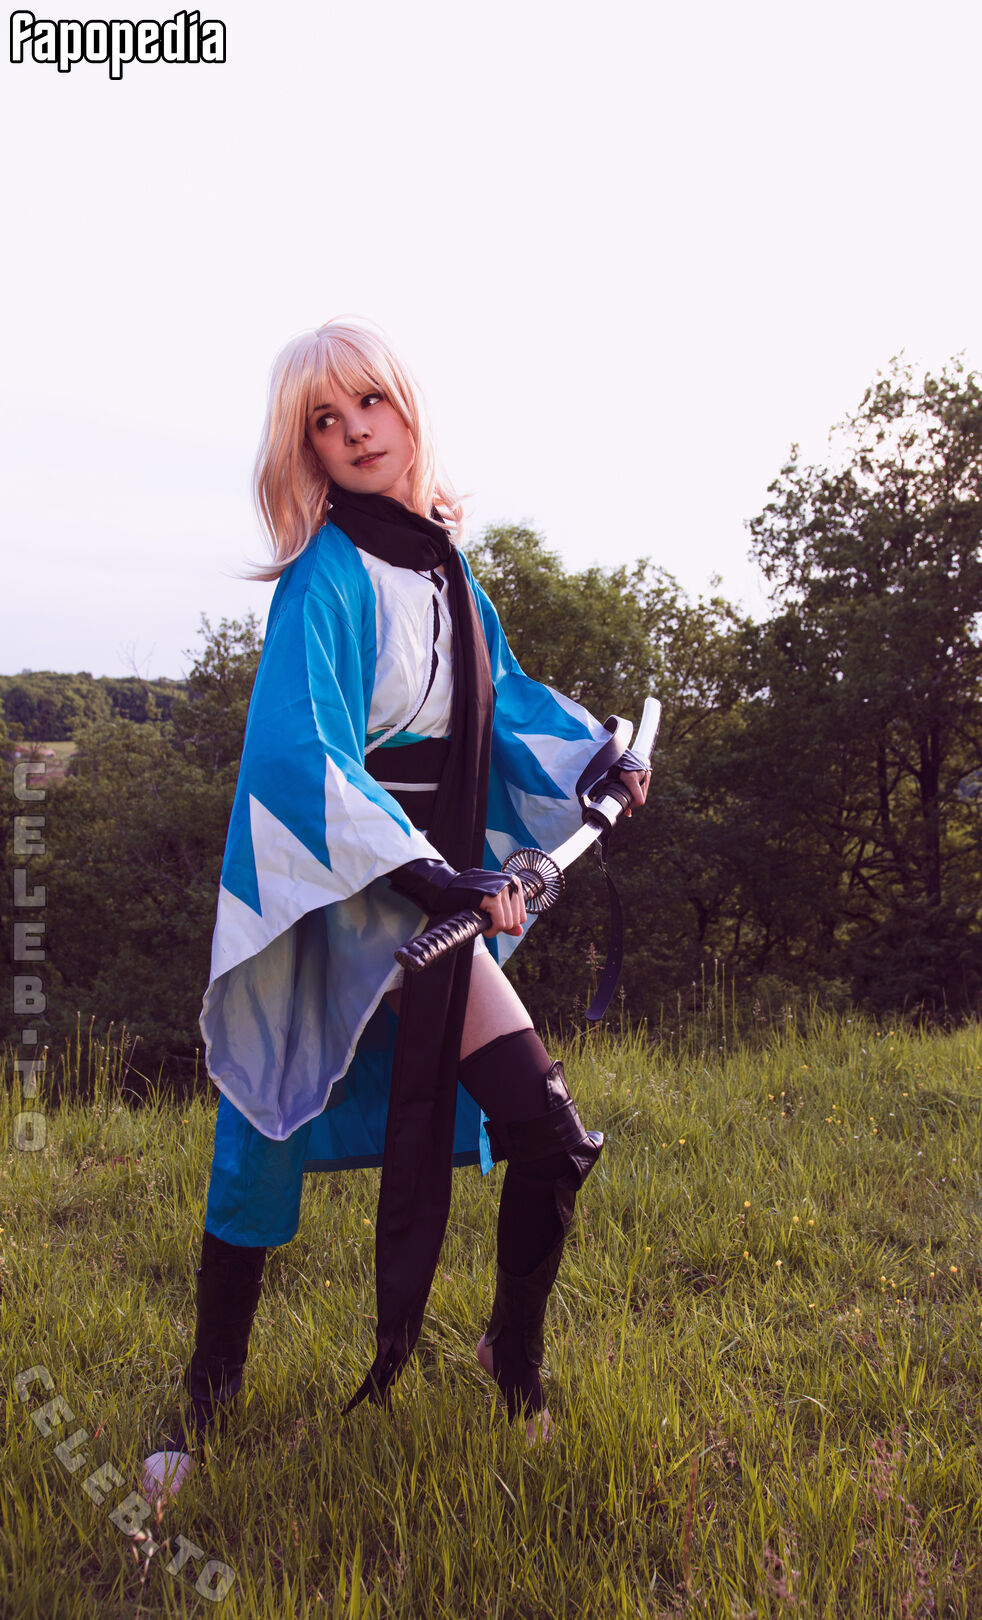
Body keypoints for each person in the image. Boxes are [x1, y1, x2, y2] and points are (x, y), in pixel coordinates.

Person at [143, 317, 650, 1500]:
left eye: (368, 401)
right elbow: (301, 757)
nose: (355, 431)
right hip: (333, 903)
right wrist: (431, 874)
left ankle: (511, 1361)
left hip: (434, 900)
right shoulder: (321, 581)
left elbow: (506, 703)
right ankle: (205, 1398)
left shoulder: (448, 571)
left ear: (406, 405)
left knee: (551, 1136)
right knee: (258, 1147)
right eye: (324, 420)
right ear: (306, 449)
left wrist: (600, 761)